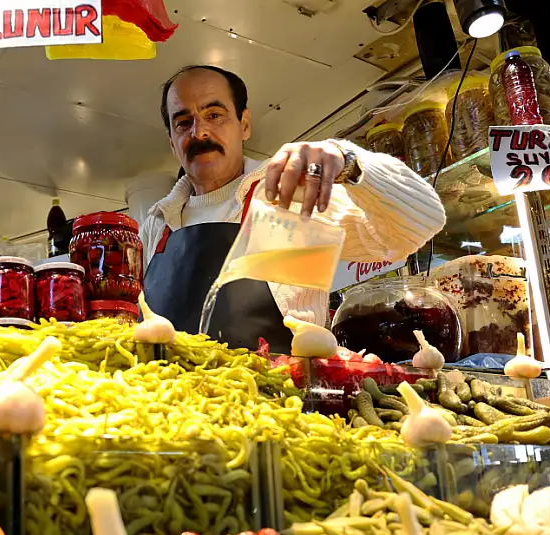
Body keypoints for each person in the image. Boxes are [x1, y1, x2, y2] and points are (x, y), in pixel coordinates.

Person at [141, 65, 447, 353]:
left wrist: (349, 163)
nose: (200, 132)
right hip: (168, 403)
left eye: (215, 114)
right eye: (183, 122)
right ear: (171, 141)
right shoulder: (154, 227)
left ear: (244, 124)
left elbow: (421, 224)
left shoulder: (293, 195)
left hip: (281, 398)